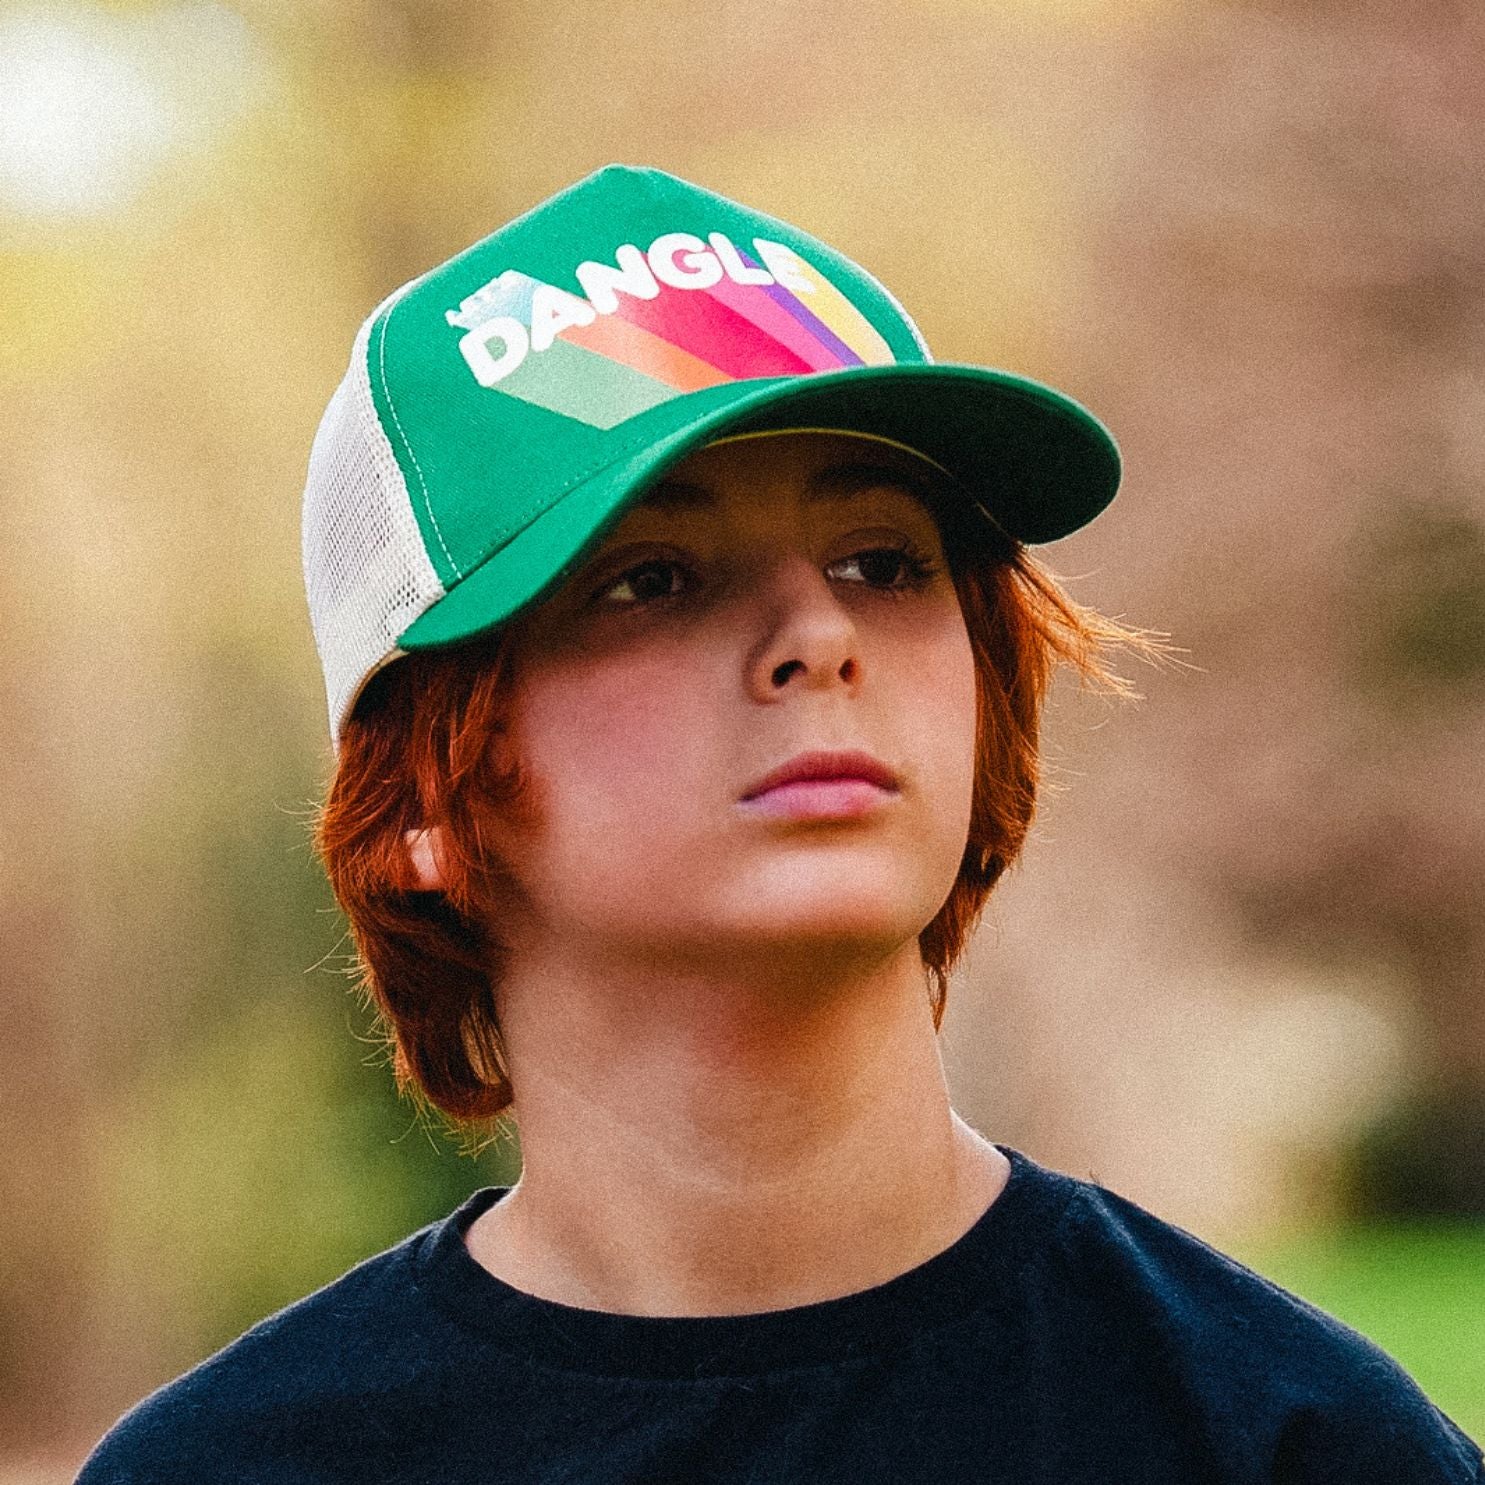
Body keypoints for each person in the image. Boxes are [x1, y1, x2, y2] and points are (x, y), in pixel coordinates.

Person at [76, 165, 1482, 1483]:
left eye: (883, 560)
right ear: (423, 800)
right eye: (652, 576)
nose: (815, 631)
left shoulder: (1292, 1443)